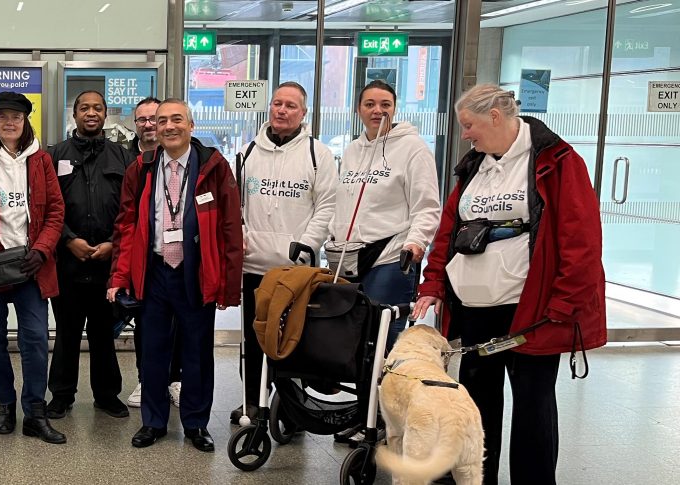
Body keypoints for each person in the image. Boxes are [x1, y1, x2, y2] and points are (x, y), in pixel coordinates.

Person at [411, 84, 607, 485]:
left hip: (530, 312)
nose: (465, 134)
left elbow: (581, 239)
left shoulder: (558, 161)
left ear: (495, 117)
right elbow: (449, 231)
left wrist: (564, 304)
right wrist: (433, 284)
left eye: (469, 125)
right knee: (475, 406)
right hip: (472, 310)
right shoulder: (474, 166)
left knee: (533, 408)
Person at [107, 98, 241, 453]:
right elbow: (126, 225)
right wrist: (119, 276)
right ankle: (153, 422)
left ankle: (196, 424)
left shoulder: (214, 166)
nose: (168, 126)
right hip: (154, 272)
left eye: (176, 119)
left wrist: (229, 283)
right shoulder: (143, 167)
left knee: (197, 351)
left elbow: (230, 227)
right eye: (161, 120)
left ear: (191, 125)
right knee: (153, 352)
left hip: (196, 273)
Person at [0, 92, 67, 444]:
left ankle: (34, 411)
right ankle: (6, 404)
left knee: (35, 339)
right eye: (3, 116)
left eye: (16, 117)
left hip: (30, 265)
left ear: (25, 122)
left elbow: (55, 212)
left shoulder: (42, 161)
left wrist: (42, 249)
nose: (9, 122)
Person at [229, 81, 337, 423]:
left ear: (303, 113)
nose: (282, 110)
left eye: (291, 106)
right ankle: (252, 403)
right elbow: (238, 207)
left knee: (294, 340)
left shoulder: (317, 155)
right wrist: (242, 236)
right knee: (253, 338)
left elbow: (328, 205)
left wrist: (307, 243)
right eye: (277, 104)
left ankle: (291, 408)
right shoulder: (248, 152)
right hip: (254, 266)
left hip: (296, 270)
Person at [329, 79, 440, 351]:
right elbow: (345, 200)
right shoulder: (353, 149)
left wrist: (417, 242)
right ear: (358, 110)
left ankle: (385, 393)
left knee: (382, 338)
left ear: (395, 108)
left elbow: (427, 205)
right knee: (352, 339)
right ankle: (364, 393)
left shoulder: (414, 149)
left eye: (385, 104)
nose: (377, 110)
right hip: (349, 256)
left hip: (390, 256)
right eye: (370, 104)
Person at [45, 90, 134, 420]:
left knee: (102, 333)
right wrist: (68, 240)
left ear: (106, 113)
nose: (91, 113)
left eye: (98, 108)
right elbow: (46, 207)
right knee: (67, 332)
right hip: (67, 262)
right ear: (75, 115)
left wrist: (114, 242)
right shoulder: (54, 156)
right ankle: (61, 395)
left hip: (108, 263)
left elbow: (131, 209)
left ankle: (107, 395)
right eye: (85, 108)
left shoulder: (122, 158)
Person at [123, 96, 184, 409]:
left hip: (183, 260)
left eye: (154, 118)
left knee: (180, 327)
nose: (149, 125)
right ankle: (147, 381)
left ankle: (175, 380)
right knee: (146, 326)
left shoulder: (194, 160)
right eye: (143, 120)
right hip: (146, 259)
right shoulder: (130, 161)